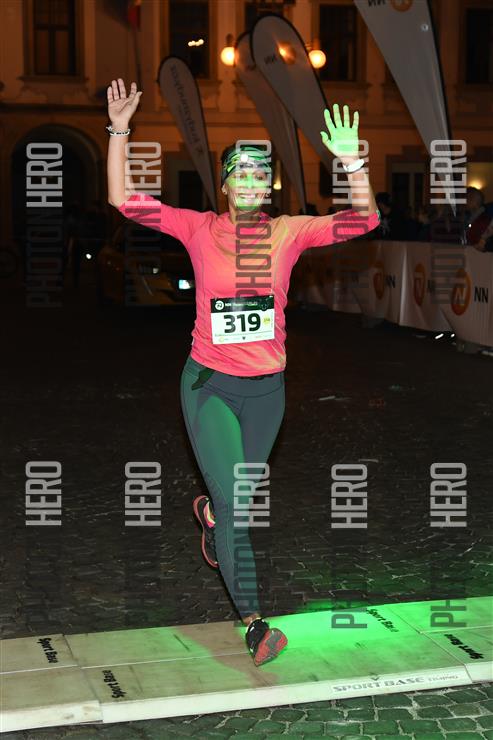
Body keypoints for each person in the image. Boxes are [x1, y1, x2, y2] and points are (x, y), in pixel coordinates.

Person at [106, 78, 380, 667]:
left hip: (268, 394)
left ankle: (209, 515)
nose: (252, 183)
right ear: (226, 185)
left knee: (235, 501)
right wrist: (120, 130)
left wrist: (353, 163)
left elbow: (365, 221)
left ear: (268, 186)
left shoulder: (288, 232)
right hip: (210, 386)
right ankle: (255, 623)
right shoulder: (197, 228)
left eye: (262, 175)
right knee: (239, 506)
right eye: (242, 174)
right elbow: (124, 200)